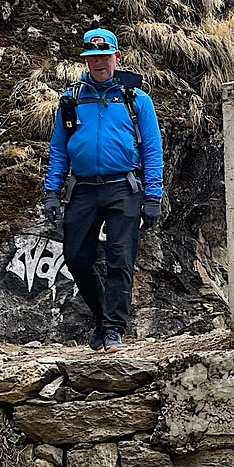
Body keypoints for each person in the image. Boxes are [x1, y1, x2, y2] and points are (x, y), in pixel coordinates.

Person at [41, 28, 164, 352]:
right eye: (92, 57)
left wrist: (153, 197)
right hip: (82, 188)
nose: (98, 62)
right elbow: (59, 150)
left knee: (120, 258)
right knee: (76, 258)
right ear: (85, 60)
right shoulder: (71, 100)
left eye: (104, 55)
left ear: (116, 57)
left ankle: (113, 331)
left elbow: (152, 149)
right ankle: (101, 318)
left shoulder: (136, 99)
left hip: (124, 187)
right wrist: (52, 192)